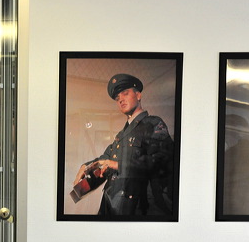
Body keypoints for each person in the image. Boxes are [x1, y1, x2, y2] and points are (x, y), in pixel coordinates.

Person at [72, 73, 174, 216]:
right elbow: (105, 158)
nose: (121, 100)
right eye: (117, 98)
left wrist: (116, 164)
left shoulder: (153, 124)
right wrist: (87, 166)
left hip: (137, 208)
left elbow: (163, 161)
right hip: (111, 204)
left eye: (125, 94)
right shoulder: (121, 135)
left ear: (138, 95)